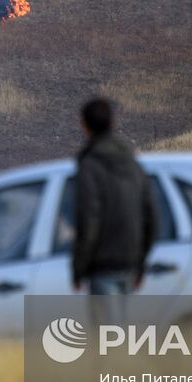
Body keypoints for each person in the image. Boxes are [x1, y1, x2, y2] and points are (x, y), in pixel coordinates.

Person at [71, 97, 157, 298]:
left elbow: (89, 220)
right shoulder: (133, 165)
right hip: (130, 262)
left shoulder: (89, 167)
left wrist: (78, 269)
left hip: (102, 266)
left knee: (107, 329)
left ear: (84, 126)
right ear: (113, 123)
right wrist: (141, 263)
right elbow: (150, 218)